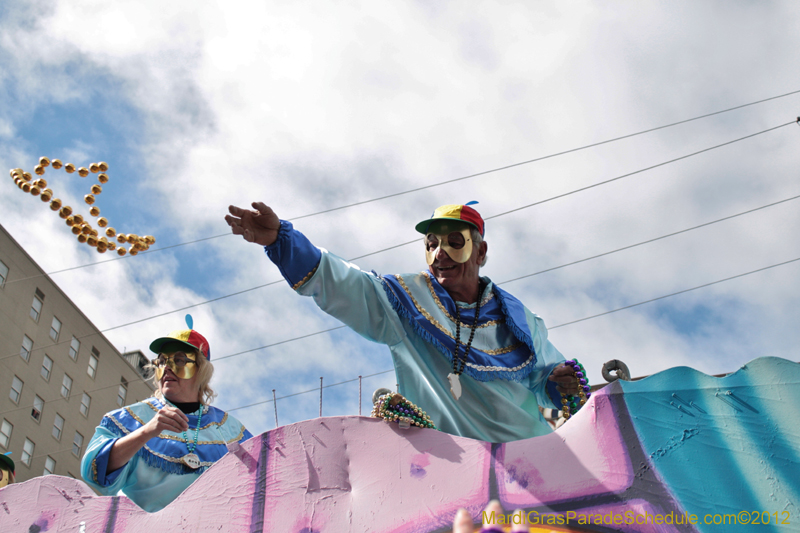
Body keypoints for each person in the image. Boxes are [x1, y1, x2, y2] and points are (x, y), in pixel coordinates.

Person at [225, 202, 584, 443]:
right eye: (431, 244)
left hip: (531, 461)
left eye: (454, 242)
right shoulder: (407, 302)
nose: (439, 253)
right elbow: (344, 285)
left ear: (481, 252)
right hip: (453, 471)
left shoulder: (521, 320)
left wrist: (561, 383)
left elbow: (548, 383)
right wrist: (282, 241)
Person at [80, 318, 253, 512]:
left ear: (201, 370)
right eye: (162, 361)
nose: (167, 367)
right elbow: (94, 474)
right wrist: (146, 432)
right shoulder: (127, 419)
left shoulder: (231, 430)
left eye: (179, 360)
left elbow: (258, 487)